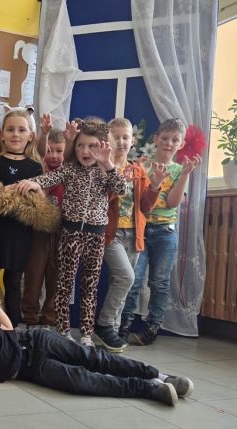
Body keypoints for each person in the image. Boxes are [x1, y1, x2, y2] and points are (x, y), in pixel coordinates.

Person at [0, 274, 194, 407]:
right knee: (84, 381)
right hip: (29, 369)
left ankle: (159, 375)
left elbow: (8, 327)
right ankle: (149, 388)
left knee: (94, 358)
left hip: (37, 341)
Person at [16, 118, 126, 347]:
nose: (85, 151)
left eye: (92, 146)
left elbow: (121, 188)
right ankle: (64, 330)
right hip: (71, 234)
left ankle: (86, 333)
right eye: (80, 145)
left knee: (90, 286)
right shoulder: (70, 169)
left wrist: (108, 164)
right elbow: (48, 178)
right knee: (64, 284)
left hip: (95, 236)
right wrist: (32, 183)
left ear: (103, 147)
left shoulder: (106, 172)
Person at [120, 119, 202, 346]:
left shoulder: (179, 170)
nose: (169, 143)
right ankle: (123, 325)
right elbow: (135, 199)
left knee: (159, 282)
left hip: (165, 232)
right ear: (156, 139)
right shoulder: (143, 166)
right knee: (133, 279)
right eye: (165, 138)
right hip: (140, 230)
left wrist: (185, 175)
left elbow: (172, 203)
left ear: (181, 144)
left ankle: (152, 327)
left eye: (175, 140)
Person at [93, 118, 166, 352]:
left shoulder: (138, 169)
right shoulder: (102, 167)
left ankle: (112, 333)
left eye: (126, 137)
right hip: (111, 234)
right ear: (108, 140)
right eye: (116, 137)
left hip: (134, 234)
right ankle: (104, 324)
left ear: (133, 141)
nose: (121, 142)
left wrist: (154, 186)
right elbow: (98, 202)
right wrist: (118, 183)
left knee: (122, 283)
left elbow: (145, 206)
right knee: (127, 278)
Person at [0, 108, 43, 327]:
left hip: (20, 236)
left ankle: (12, 327)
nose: (15, 134)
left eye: (21, 130)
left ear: (30, 136)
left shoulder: (35, 167)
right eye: (10, 129)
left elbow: (40, 205)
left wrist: (35, 188)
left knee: (13, 283)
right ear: (2, 134)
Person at [21, 124, 66, 328]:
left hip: (61, 233)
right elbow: (39, 152)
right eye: (50, 151)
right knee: (34, 275)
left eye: (59, 151)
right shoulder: (40, 170)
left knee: (56, 277)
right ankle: (30, 316)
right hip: (39, 232)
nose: (54, 156)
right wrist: (44, 134)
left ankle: (49, 317)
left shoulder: (68, 172)